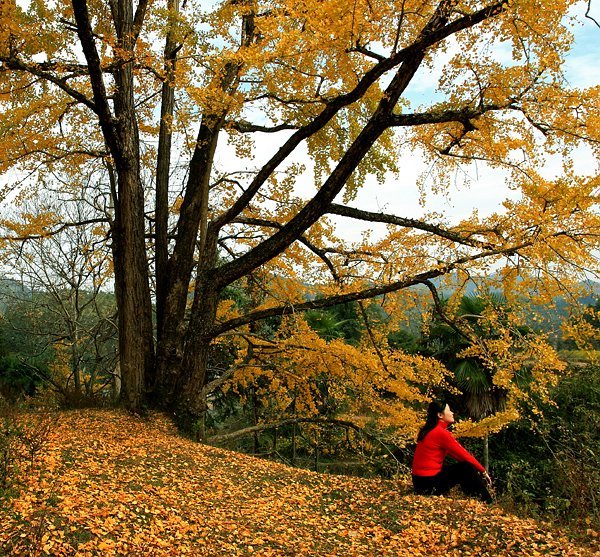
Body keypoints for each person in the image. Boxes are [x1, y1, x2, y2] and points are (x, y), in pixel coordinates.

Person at [411, 400, 493, 503]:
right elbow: (464, 455)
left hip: (419, 482)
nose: (452, 413)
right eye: (449, 410)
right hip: (428, 484)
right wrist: (483, 471)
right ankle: (487, 501)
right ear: (440, 415)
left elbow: (457, 455)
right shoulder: (440, 433)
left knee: (464, 466)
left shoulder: (429, 430)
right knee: (466, 468)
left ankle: (476, 499)